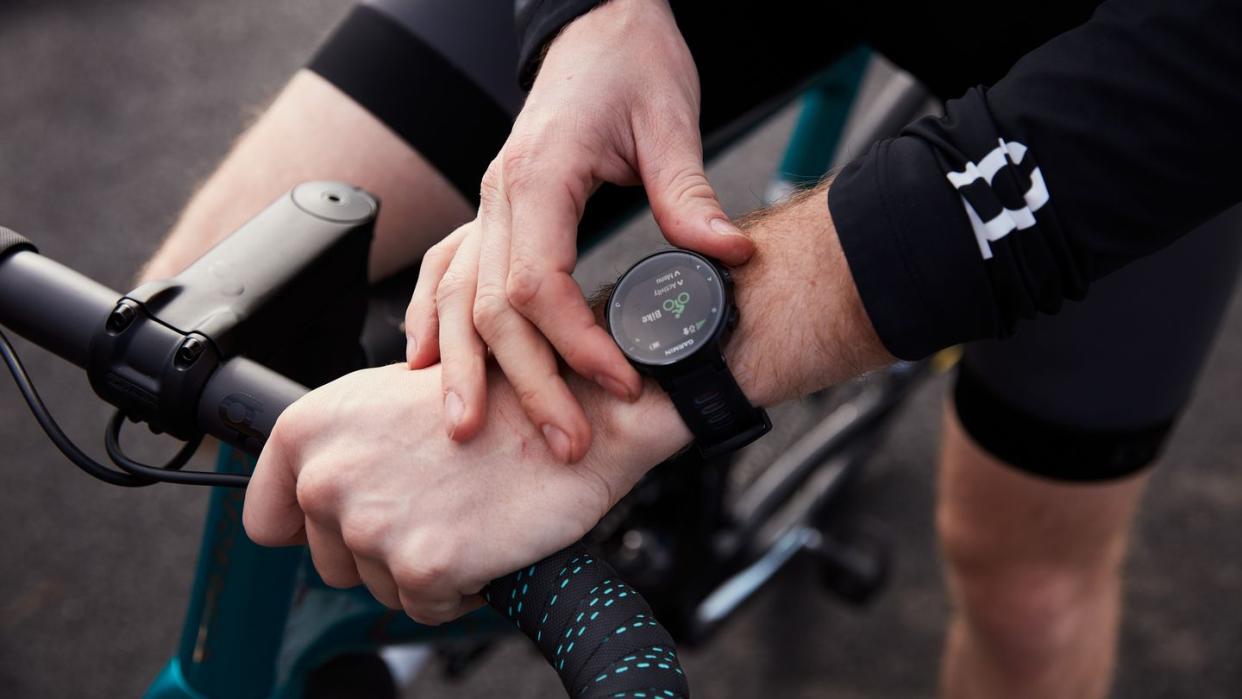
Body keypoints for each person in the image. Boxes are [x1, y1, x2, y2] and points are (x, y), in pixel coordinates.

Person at [140, 1, 1242, 697]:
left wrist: (643, 392)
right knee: (187, 307)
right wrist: (586, 15)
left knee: (1028, 597)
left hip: (1130, 60)